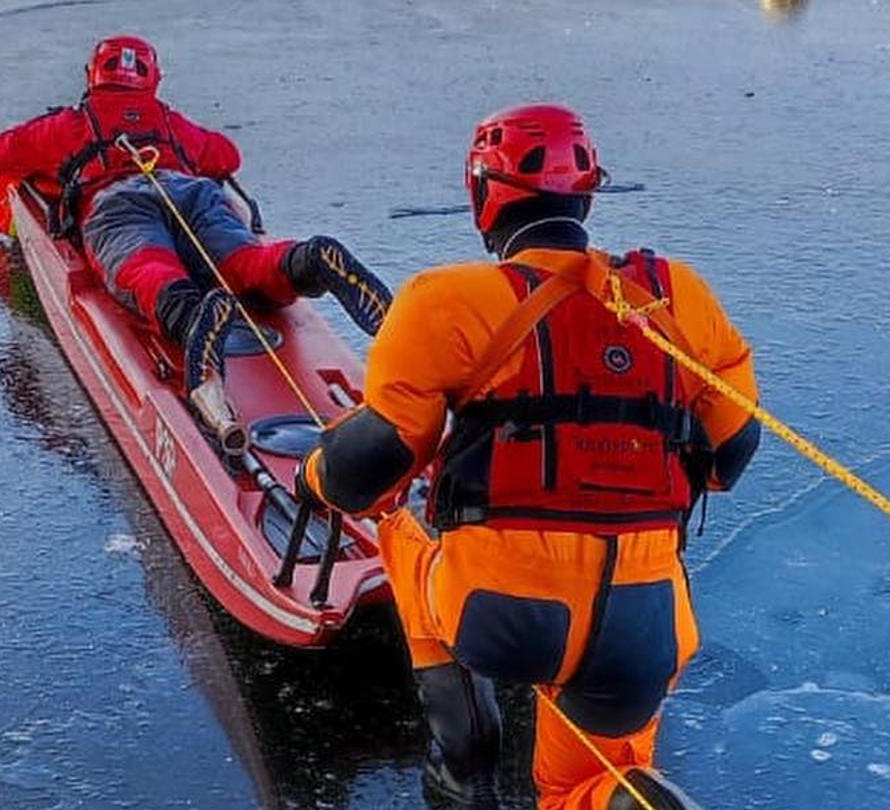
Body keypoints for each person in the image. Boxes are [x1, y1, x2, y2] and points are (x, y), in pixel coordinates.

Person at [295, 104, 762, 810]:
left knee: (400, 531)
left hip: (499, 611)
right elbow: (734, 449)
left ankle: (463, 761)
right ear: (587, 193)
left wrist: (313, 476)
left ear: (484, 194)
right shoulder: (675, 296)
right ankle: (622, 800)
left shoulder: (444, 300)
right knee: (583, 784)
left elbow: (371, 469)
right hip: (646, 615)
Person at [0, 35, 391, 390]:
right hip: (190, 191)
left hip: (118, 203)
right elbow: (226, 156)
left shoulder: (68, 125)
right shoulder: (169, 122)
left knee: (146, 265)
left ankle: (192, 315)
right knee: (245, 261)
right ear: (154, 80)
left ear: (91, 75)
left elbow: (1, 152)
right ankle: (306, 261)